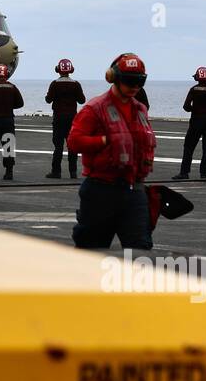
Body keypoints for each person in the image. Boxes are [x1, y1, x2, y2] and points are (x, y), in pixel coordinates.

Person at [67, 52, 157, 250]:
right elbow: (74, 142)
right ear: (113, 78)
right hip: (101, 191)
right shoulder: (94, 108)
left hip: (135, 191)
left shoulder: (140, 109)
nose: (135, 87)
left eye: (140, 82)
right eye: (130, 81)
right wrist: (105, 141)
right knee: (91, 252)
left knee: (140, 252)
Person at [173, 66, 206, 180]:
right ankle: (203, 173)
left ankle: (184, 173)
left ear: (197, 77)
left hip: (196, 120)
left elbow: (186, 107)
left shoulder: (193, 89)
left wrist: (195, 109)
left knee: (189, 147)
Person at [45, 58, 85, 179]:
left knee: (58, 146)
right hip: (72, 118)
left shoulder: (54, 84)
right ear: (71, 70)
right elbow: (82, 100)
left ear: (58, 70)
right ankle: (73, 172)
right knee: (72, 145)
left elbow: (48, 100)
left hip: (58, 118)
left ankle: (56, 172)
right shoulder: (76, 84)